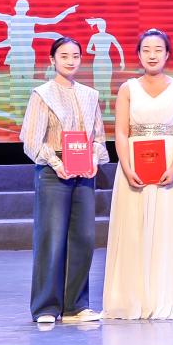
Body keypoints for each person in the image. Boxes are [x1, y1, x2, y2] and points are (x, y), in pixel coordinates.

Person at [102, 29, 173, 319]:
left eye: (158, 50)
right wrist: (126, 166)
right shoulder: (128, 88)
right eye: (146, 50)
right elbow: (121, 131)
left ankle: (165, 295)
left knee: (168, 231)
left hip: (171, 165)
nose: (152, 55)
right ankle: (134, 297)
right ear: (139, 55)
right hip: (134, 165)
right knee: (134, 230)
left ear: (167, 54)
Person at [20, 36, 107, 325]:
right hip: (52, 170)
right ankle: (46, 306)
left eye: (75, 56)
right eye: (64, 56)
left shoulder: (90, 95)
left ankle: (76, 306)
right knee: (52, 237)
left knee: (83, 238)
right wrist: (57, 163)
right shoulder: (42, 94)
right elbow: (31, 140)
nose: (71, 61)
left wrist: (93, 159)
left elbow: (97, 137)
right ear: (52, 60)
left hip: (84, 171)